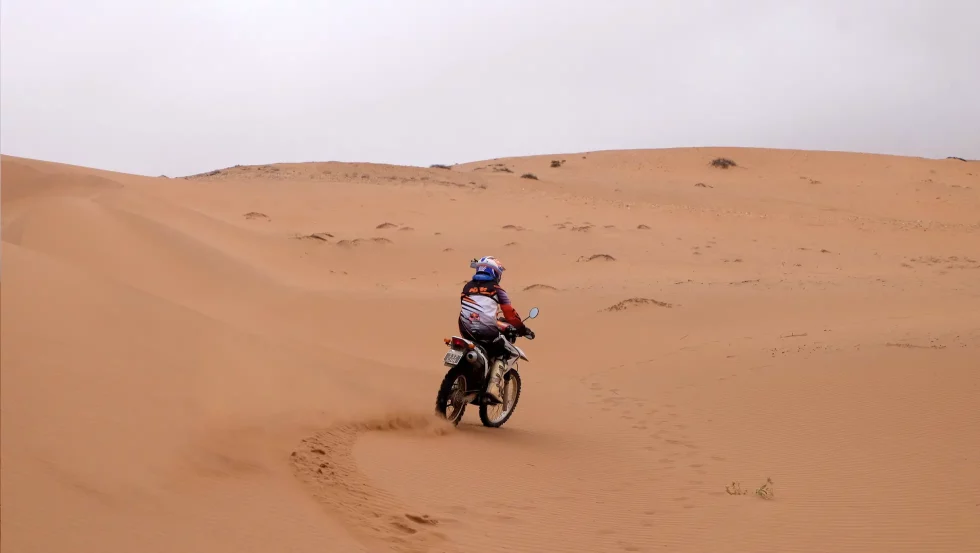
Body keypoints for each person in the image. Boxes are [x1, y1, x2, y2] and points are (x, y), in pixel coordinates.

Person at [458, 256, 534, 398]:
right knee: (506, 352)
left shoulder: (467, 287)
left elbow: (476, 310)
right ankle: (492, 388)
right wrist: (522, 329)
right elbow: (510, 314)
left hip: (465, 329)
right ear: (495, 273)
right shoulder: (498, 290)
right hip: (486, 332)